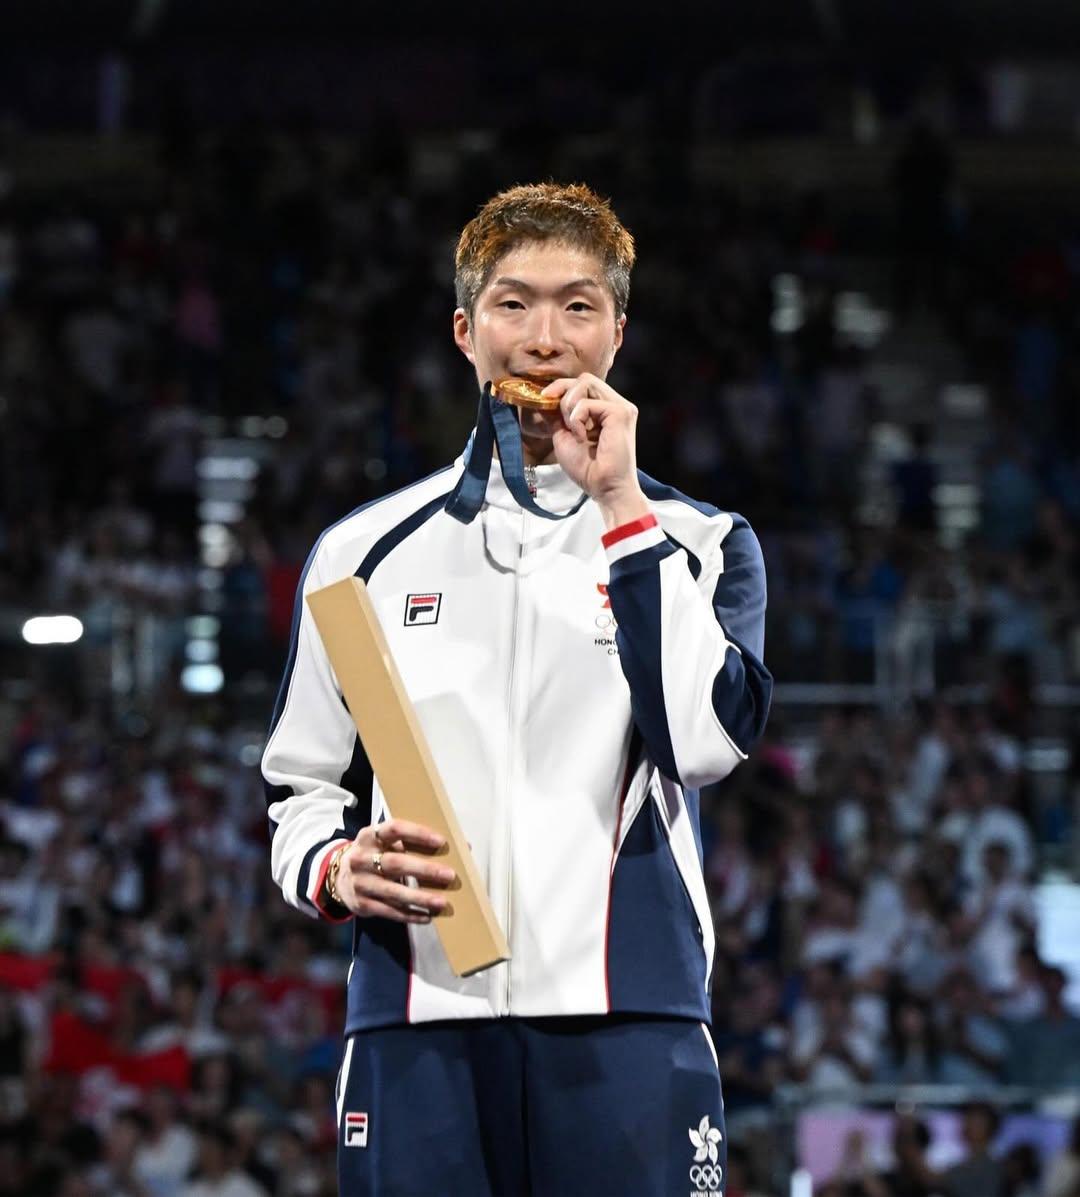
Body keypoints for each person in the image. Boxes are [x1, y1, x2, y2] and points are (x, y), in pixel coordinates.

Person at [261, 182, 772, 1195]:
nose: (545, 337)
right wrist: (331, 866)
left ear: (618, 333)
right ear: (465, 330)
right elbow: (297, 786)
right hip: (416, 1025)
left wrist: (622, 506)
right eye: (513, 303)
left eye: (578, 306)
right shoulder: (362, 554)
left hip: (630, 1019)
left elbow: (705, 745)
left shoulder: (703, 543)